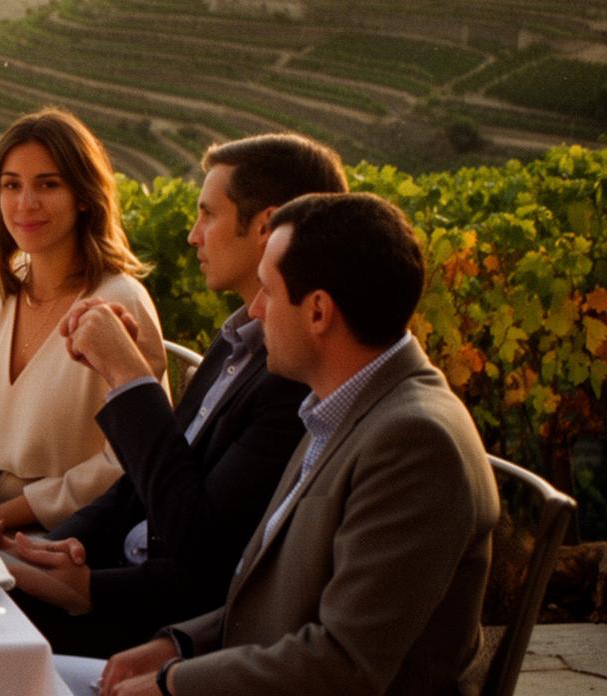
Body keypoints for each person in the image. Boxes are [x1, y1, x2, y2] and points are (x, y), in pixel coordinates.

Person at [96, 193, 499, 696]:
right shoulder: (341, 403)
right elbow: (275, 600)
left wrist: (175, 684)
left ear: (318, 312)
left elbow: (345, 665)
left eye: (267, 290)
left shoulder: (415, 443)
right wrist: (180, 646)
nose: (255, 310)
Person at [1, 134, 346, 657]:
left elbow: (203, 554)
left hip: (149, 627)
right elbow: (143, 482)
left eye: (207, 215)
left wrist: (128, 374)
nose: (192, 236)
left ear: (266, 227)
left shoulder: (295, 379)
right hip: (114, 581)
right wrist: (56, 546)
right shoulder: (238, 342)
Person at [0, 107, 166, 535]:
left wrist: (1, 518)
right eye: (12, 185)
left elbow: (127, 461)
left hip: (68, 536)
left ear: (83, 196)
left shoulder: (119, 302)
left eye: (48, 184)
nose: (26, 203)